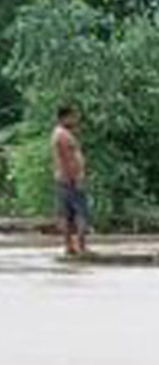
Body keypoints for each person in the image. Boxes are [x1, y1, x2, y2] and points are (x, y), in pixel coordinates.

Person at [51, 104, 89, 257]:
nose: (76, 119)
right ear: (64, 117)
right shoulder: (63, 136)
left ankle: (70, 246)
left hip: (65, 179)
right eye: (73, 116)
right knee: (81, 213)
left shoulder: (60, 133)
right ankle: (80, 246)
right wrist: (76, 177)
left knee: (68, 215)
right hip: (70, 180)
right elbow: (67, 160)